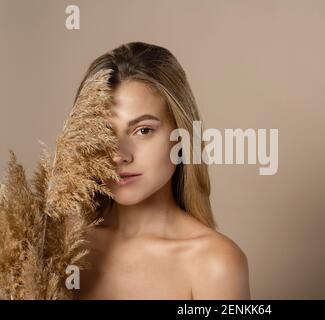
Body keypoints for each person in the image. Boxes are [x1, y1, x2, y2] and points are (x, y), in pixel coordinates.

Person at [74, 42, 250, 300]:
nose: (119, 155)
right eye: (103, 133)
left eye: (143, 130)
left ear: (180, 136)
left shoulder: (215, 264)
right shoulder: (63, 247)